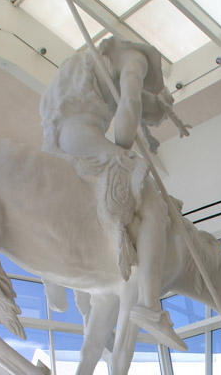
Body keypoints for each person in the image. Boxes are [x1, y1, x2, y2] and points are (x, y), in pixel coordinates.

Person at [40, 36, 190, 351]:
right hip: (81, 136)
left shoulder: (88, 64)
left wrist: (157, 111)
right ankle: (149, 305)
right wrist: (126, 161)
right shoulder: (137, 59)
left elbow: (139, 104)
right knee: (152, 204)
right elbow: (130, 109)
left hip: (57, 144)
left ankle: (74, 293)